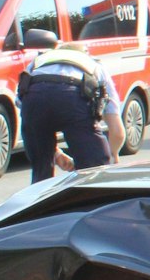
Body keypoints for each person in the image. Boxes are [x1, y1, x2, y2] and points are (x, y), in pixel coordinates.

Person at [17, 31, 123, 183]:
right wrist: (114, 155)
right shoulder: (94, 65)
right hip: (73, 98)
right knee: (94, 170)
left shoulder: (39, 61)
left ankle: (42, 201)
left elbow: (25, 105)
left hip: (34, 99)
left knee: (41, 172)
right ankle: (92, 199)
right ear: (85, 54)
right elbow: (117, 130)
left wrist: (56, 153)